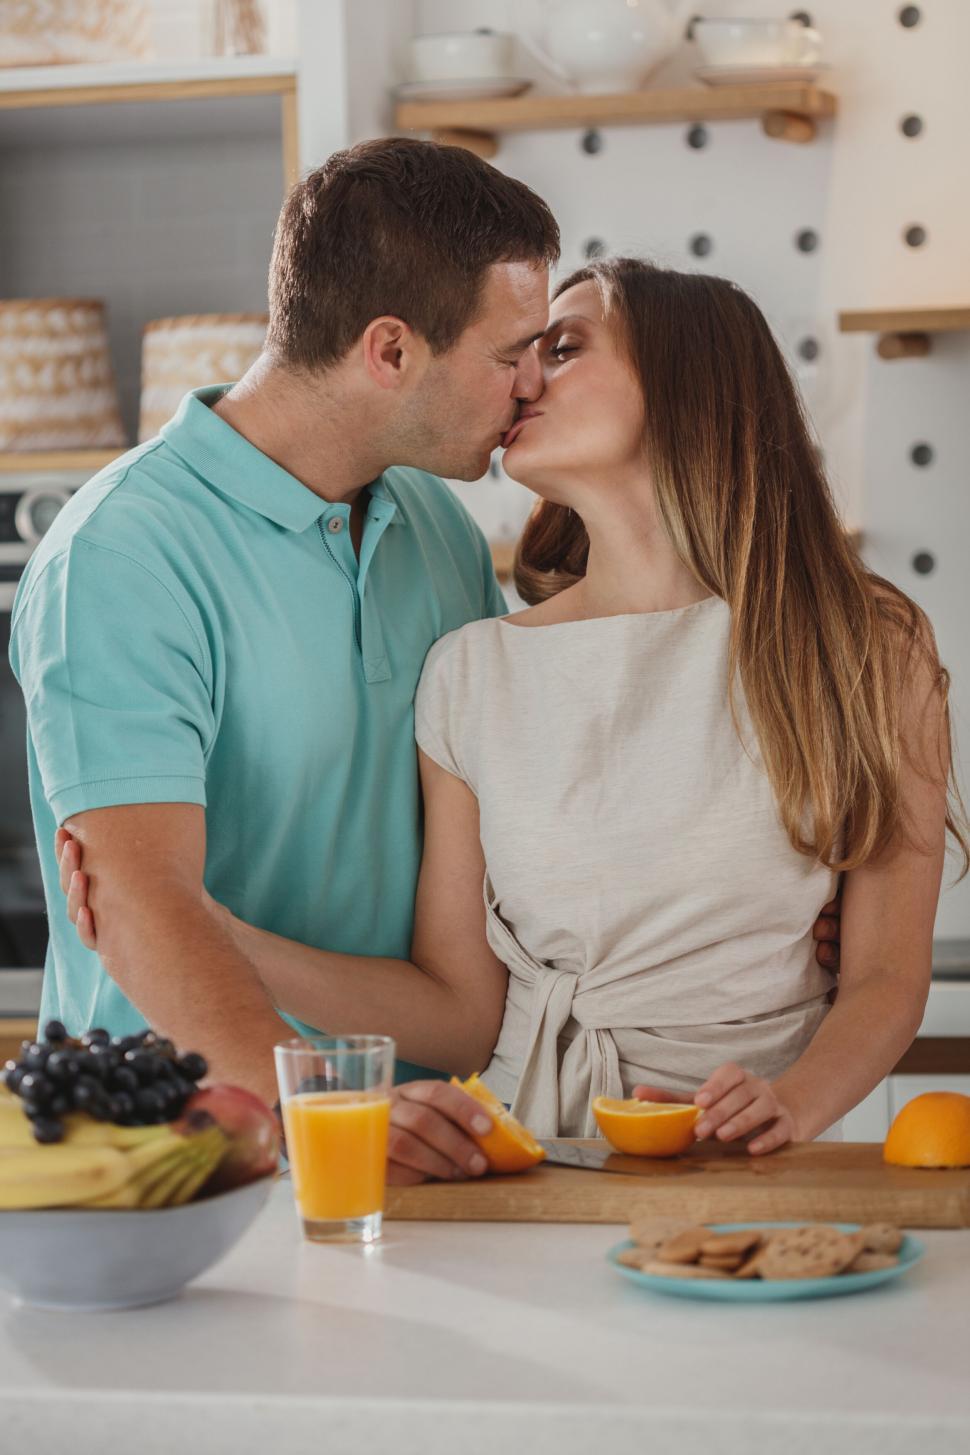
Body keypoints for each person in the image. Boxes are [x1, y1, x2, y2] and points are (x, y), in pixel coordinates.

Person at [66, 258, 952, 1176]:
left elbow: (887, 977)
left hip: (762, 1171)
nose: (525, 379)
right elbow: (460, 1015)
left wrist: (791, 1104)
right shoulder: (474, 670)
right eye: (525, 352)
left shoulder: (868, 647)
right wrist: (222, 934)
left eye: (562, 348)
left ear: (694, 378)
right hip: (529, 1170)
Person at [10, 137, 563, 1183]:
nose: (532, 387)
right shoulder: (122, 554)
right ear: (389, 351)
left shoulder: (435, 528)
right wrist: (326, 1110)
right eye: (510, 355)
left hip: (411, 1143)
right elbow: (141, 903)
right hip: (175, 1164)